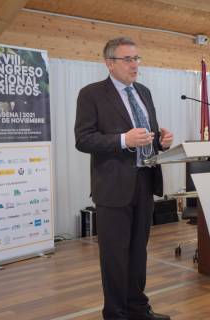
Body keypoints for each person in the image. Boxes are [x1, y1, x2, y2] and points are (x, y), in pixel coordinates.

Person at [74, 37, 173, 320]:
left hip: (144, 181)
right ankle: (116, 314)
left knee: (138, 253)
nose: (135, 65)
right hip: (113, 187)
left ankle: (138, 308)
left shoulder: (144, 92)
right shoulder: (91, 94)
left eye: (137, 59)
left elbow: (148, 135)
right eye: (128, 59)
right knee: (115, 256)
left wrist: (161, 142)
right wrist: (122, 140)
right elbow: (83, 139)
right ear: (109, 63)